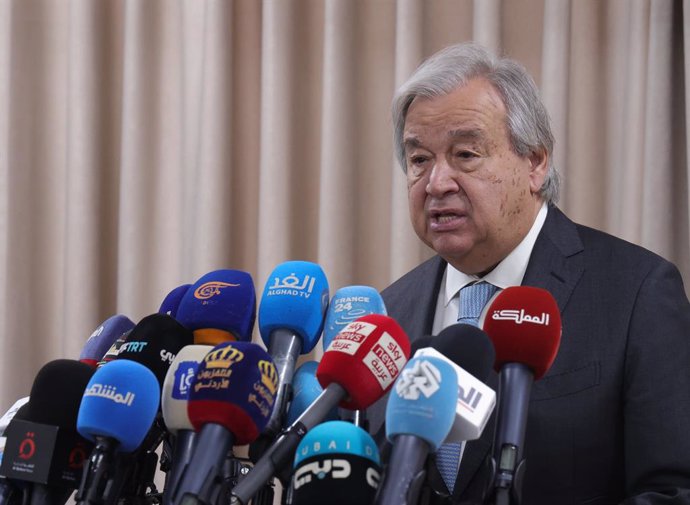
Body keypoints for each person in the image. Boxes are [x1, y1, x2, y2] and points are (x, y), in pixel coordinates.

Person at [369, 42, 690, 504]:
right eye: (419, 160)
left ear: (535, 162)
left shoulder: (636, 292)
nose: (436, 183)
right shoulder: (391, 316)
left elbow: (672, 491)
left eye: (465, 154)